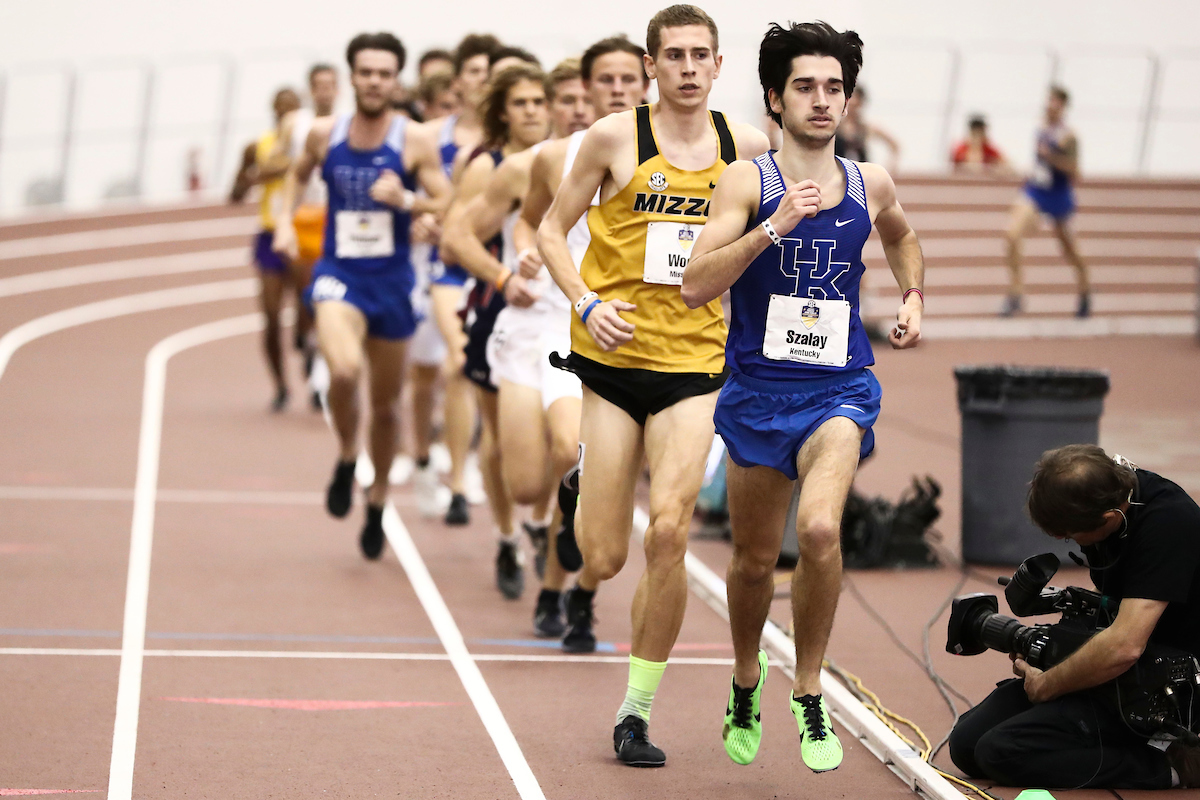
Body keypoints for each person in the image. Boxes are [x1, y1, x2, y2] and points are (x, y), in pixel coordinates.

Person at [682, 20, 924, 773]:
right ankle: (746, 674)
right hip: (758, 394)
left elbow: (900, 236)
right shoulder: (745, 182)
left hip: (839, 389)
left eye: (833, 87)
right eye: (805, 87)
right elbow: (694, 285)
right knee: (755, 561)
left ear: (848, 100)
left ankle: (810, 686)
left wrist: (913, 294)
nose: (821, 100)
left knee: (819, 530)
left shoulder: (870, 182)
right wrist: (773, 226)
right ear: (774, 99)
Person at [538, 4, 770, 767]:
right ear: (652, 65)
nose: (689, 68)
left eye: (701, 55)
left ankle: (634, 713)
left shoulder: (748, 148)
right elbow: (550, 230)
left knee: (668, 532)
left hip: (695, 368)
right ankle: (580, 485)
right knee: (603, 557)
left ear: (719, 65)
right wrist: (586, 303)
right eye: (674, 55)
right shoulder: (614, 138)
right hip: (611, 362)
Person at [273, 32, 451, 559]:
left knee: (387, 407)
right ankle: (349, 454)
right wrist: (284, 223)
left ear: (397, 81)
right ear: (352, 76)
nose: (374, 81)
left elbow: (446, 200)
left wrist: (409, 201)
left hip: (392, 283)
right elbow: (295, 178)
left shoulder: (413, 139)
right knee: (345, 371)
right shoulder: (324, 134)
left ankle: (376, 501)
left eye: (384, 73)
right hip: (339, 273)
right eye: (366, 72)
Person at [443, 56, 598, 630]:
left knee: (569, 452)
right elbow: (457, 234)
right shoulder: (522, 167)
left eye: (584, 99)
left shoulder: (630, 163)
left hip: (586, 330)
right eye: (564, 100)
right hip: (521, 321)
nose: (576, 109)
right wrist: (506, 274)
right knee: (521, 474)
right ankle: (518, 529)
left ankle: (555, 557)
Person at [948, 445, 1200, 790]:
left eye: (1070, 536)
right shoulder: (1107, 496)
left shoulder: (1169, 524)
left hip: (1165, 685)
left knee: (1001, 753)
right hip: (1122, 668)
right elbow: (1112, 606)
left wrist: (1048, 684)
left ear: (1109, 518)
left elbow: (1124, 647)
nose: (1068, 541)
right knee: (966, 746)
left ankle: (1169, 764)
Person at [516, 36, 650, 639]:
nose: (617, 89)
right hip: (569, 323)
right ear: (586, 88)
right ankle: (553, 586)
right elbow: (532, 221)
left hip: (647, 331)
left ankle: (581, 594)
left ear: (644, 83)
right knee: (574, 454)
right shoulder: (556, 155)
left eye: (628, 79)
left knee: (616, 481)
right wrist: (523, 258)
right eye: (606, 80)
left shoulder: (684, 154)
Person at [439, 62, 551, 598]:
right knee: (500, 439)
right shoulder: (490, 165)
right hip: (496, 308)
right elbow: (453, 240)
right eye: (520, 103)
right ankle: (507, 536)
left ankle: (541, 521)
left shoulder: (567, 158)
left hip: (557, 313)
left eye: (539, 102)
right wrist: (503, 276)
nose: (532, 111)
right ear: (502, 112)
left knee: (555, 437)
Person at [427, 33, 501, 526]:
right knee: (456, 364)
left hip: (504, 273)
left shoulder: (527, 143)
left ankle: (488, 464)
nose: (483, 80)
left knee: (495, 381)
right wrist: (421, 214)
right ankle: (456, 480)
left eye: (491, 72)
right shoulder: (440, 139)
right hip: (452, 271)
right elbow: (448, 211)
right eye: (474, 71)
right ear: (458, 80)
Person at [230, 86, 302, 411]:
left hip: (305, 233)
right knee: (271, 317)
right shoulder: (257, 147)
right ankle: (281, 385)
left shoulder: (312, 142)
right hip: (270, 234)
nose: (286, 113)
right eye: (280, 107)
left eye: (292, 107)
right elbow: (235, 194)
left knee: (310, 311)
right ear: (273, 110)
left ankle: (312, 358)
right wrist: (251, 177)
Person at [278, 64, 340, 410]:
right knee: (306, 295)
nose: (325, 91)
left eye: (331, 85)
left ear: (339, 88)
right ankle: (308, 341)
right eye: (319, 85)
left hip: (333, 215)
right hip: (303, 216)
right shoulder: (296, 123)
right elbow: (282, 165)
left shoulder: (347, 122)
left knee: (325, 296)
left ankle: (320, 370)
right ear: (311, 89)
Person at [1003, 86, 1090, 318]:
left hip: (1059, 194)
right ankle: (1016, 294)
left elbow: (1075, 171)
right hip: (1036, 191)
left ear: (1063, 106)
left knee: (1068, 247)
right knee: (1012, 234)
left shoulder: (1069, 136)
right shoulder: (1041, 129)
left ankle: (1085, 290)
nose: (1050, 106)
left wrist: (1052, 157)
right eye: (1048, 101)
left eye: (1055, 102)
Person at [833, 84, 899, 171]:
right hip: (838, 172)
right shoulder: (836, 127)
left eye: (855, 105)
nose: (852, 108)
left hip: (862, 174)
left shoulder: (866, 127)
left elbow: (894, 145)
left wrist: (889, 168)